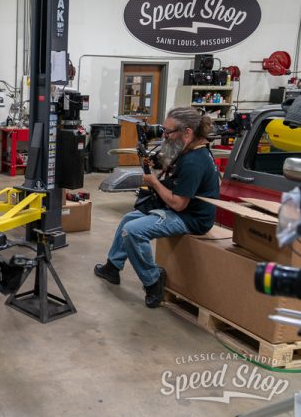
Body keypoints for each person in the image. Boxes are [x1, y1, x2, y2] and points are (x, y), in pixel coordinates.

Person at [93, 107, 220, 308]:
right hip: (183, 209)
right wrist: (152, 159)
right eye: (163, 130)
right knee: (128, 219)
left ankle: (152, 281)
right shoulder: (189, 148)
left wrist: (154, 183)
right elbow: (168, 164)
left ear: (187, 132)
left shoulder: (195, 162)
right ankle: (112, 267)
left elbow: (178, 204)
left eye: (168, 132)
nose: (164, 136)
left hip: (192, 218)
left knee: (132, 231)